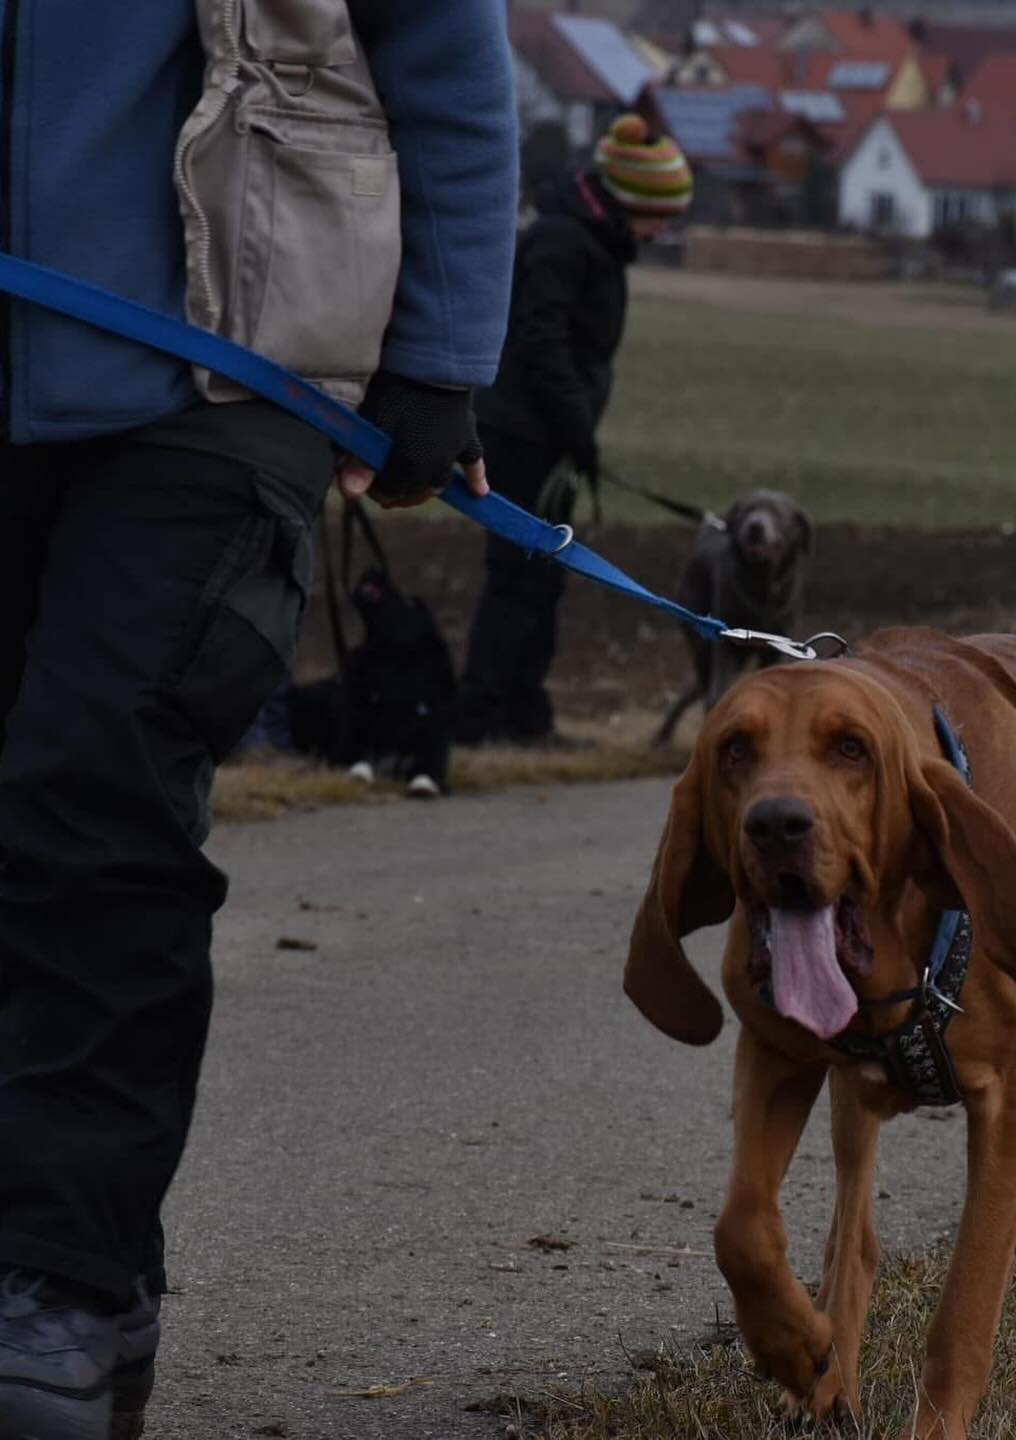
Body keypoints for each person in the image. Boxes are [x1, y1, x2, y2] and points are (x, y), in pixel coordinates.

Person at [0, 5, 516, 1438]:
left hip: (218, 380)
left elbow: (447, 56)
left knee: (90, 799)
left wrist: (442, 348)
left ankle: (59, 1286)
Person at [456, 114, 694, 747]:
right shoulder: (565, 243)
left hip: (548, 438)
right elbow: (541, 342)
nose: (664, 228)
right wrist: (576, 426)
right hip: (520, 436)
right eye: (659, 212)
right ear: (629, 201)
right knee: (517, 581)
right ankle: (487, 715)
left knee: (541, 580)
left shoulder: (592, 243)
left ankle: (522, 714)